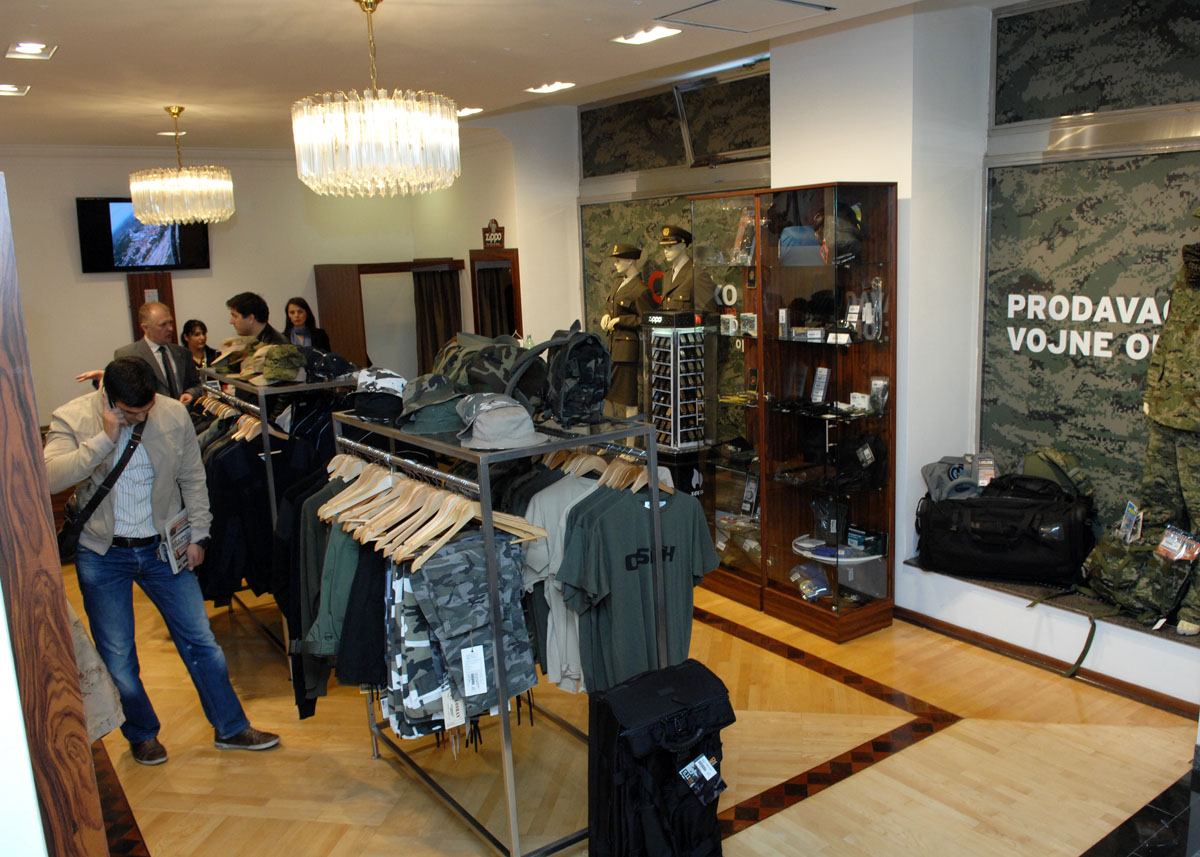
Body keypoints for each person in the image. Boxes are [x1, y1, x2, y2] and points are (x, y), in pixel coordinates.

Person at [44, 357, 280, 764]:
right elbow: (50, 478)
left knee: (202, 642)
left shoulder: (171, 413)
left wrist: (199, 533)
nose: (141, 418)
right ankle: (142, 734)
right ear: (109, 398)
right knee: (118, 655)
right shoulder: (73, 417)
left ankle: (231, 727)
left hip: (162, 549)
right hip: (102, 553)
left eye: (146, 408)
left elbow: (193, 477)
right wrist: (104, 438)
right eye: (130, 412)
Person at [77, 302, 203, 403]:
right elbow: (118, 387)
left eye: (170, 322)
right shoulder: (128, 354)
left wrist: (190, 393)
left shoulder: (183, 353)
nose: (170, 328)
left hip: (183, 418)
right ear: (145, 327)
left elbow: (196, 385)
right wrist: (105, 377)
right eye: (163, 325)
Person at [600, 243, 652, 414]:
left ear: (630, 261)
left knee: (628, 397)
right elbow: (611, 305)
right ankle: (611, 428)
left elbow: (646, 319)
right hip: (612, 347)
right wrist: (607, 315)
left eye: (619, 260)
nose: (615, 264)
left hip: (627, 351)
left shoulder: (641, 290)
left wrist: (621, 320)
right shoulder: (618, 283)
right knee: (606, 393)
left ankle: (631, 433)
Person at [658, 226, 716, 314]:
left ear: (682, 246)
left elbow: (707, 315)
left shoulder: (697, 276)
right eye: (664, 247)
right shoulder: (667, 276)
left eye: (670, 246)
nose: (666, 251)